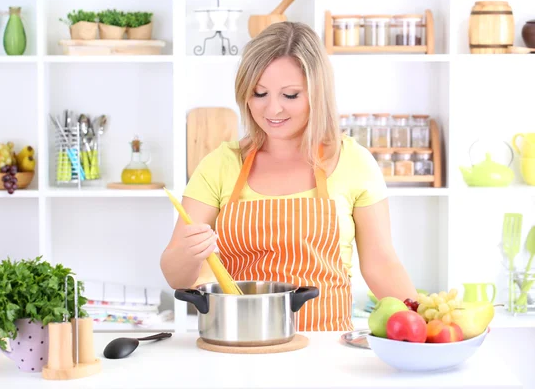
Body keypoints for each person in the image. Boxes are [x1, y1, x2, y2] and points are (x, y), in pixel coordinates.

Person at [160, 21, 417, 331]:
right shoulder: (220, 164)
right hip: (238, 342)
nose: (272, 109)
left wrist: (422, 322)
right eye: (259, 93)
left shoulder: (354, 162)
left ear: (317, 93)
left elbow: (381, 265)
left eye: (290, 95)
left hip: (326, 348)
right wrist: (189, 254)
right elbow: (175, 274)